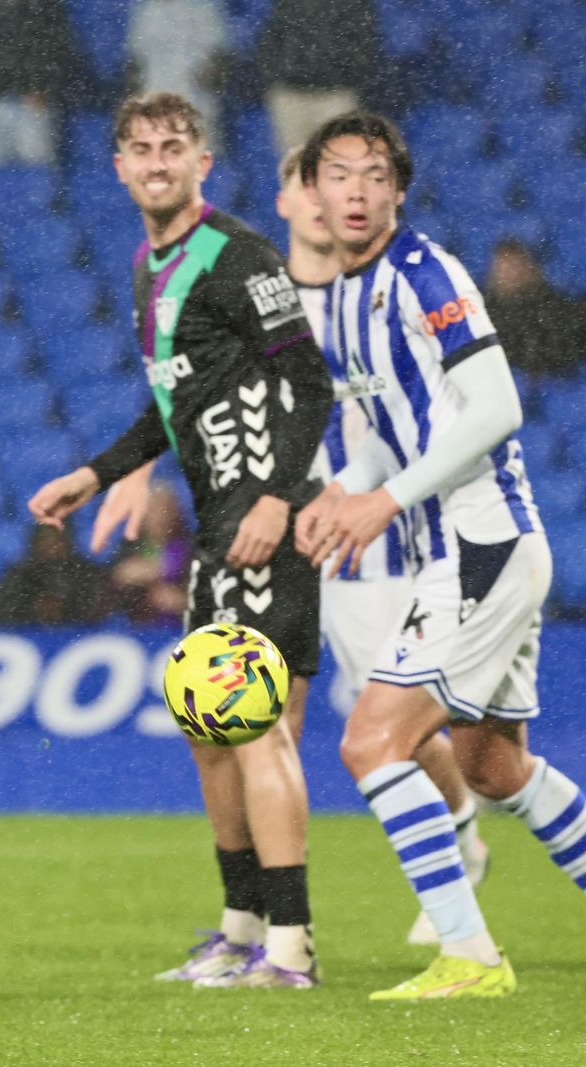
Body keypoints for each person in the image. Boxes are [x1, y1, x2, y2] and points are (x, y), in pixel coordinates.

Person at [28, 92, 333, 988]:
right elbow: (177, 405)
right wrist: (99, 471)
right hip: (217, 531)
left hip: (265, 527)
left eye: (174, 147)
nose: (158, 161)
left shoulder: (237, 257)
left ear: (203, 162)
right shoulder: (149, 267)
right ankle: (243, 928)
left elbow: (310, 383)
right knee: (211, 733)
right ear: (119, 167)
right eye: (141, 149)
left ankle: (291, 946)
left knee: (258, 728)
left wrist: (278, 499)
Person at [294, 112, 585, 1000]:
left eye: (375, 174)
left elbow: (496, 410)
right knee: (493, 767)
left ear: (399, 191)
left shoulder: (428, 273)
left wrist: (385, 499)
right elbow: (390, 431)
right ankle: (471, 948)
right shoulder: (343, 299)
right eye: (338, 173)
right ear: (313, 192)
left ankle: (469, 953)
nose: (356, 189)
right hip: (456, 552)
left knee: (371, 741)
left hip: (481, 542)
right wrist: (348, 487)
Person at [275, 143, 489, 947]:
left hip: (381, 534)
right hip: (304, 523)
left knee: (392, 727)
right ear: (292, 201)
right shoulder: (271, 302)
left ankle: (462, 835)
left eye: (349, 183)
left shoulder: (382, 288)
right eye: (316, 183)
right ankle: (273, 916)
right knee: (288, 721)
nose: (333, 199)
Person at [0, 0, 87, 172]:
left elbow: (59, 53)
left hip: (33, 102)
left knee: (37, 171)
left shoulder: (48, 8)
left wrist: (42, 87)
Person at [256, 0, 383, 154]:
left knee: (336, 157)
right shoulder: (287, 4)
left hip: (335, 94)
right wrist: (277, 74)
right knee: (294, 161)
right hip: (291, 92)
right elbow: (271, 38)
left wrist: (345, 78)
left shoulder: (354, 4)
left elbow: (365, 44)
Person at [126, 0, 230, 149]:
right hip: (154, 91)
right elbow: (136, 59)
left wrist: (209, 73)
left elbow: (218, 55)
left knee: (198, 147)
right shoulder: (145, 11)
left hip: (195, 94)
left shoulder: (202, 9)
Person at [485, 237, 585, 379]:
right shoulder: (482, 310)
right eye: (503, 266)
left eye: (515, 265)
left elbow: (564, 350)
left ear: (529, 267)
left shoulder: (552, 306)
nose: (510, 273)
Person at [0, 523, 110, 625]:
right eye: (45, 539)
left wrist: (65, 609)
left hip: (77, 635)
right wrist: (33, 609)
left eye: (56, 539)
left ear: (67, 541)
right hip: (29, 631)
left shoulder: (85, 573)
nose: (51, 546)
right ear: (35, 542)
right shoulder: (20, 574)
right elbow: (4, 611)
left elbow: (96, 612)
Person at [108, 482, 191, 625]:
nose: (160, 516)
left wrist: (183, 601)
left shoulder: (190, 545)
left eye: (166, 509)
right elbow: (117, 575)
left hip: (181, 626)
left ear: (176, 512)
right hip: (139, 627)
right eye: (154, 509)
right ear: (144, 514)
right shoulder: (132, 543)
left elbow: (203, 592)